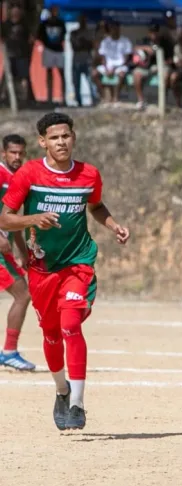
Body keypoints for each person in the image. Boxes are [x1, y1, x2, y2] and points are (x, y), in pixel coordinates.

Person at [0, 112, 130, 431]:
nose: (61, 142)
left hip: (78, 262)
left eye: (66, 136)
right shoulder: (29, 173)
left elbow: (95, 206)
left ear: (74, 138)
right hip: (42, 268)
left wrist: (113, 225)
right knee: (51, 334)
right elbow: (5, 218)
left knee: (71, 324)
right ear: (43, 142)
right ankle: (62, 391)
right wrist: (34, 219)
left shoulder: (89, 174)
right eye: (54, 137)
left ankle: (78, 403)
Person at [0, 135, 34, 371]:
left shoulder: (19, 179)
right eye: (13, 152)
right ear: (4, 153)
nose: (17, 157)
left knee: (23, 294)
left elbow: (15, 223)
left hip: (6, 250)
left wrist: (24, 253)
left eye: (21, 153)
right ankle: (9, 352)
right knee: (23, 295)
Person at [92, 21, 132, 105]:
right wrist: (107, 68)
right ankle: (104, 97)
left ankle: (115, 97)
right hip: (107, 66)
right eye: (112, 28)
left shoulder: (125, 41)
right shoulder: (105, 41)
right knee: (94, 74)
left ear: (119, 29)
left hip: (120, 66)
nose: (114, 30)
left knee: (121, 74)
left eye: (116, 28)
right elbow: (103, 58)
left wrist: (114, 68)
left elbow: (126, 59)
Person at [38, 6, 67, 104]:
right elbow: (40, 36)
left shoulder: (61, 23)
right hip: (48, 50)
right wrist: (47, 43)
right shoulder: (44, 24)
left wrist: (57, 42)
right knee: (49, 73)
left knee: (61, 73)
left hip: (58, 50)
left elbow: (63, 35)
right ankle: (49, 97)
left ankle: (63, 97)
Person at [69, 14, 95, 107]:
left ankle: (94, 100)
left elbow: (91, 46)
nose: (83, 22)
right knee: (76, 82)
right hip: (76, 61)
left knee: (91, 81)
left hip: (87, 60)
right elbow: (75, 46)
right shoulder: (74, 33)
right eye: (81, 20)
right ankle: (78, 101)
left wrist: (82, 42)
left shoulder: (90, 32)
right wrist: (84, 42)